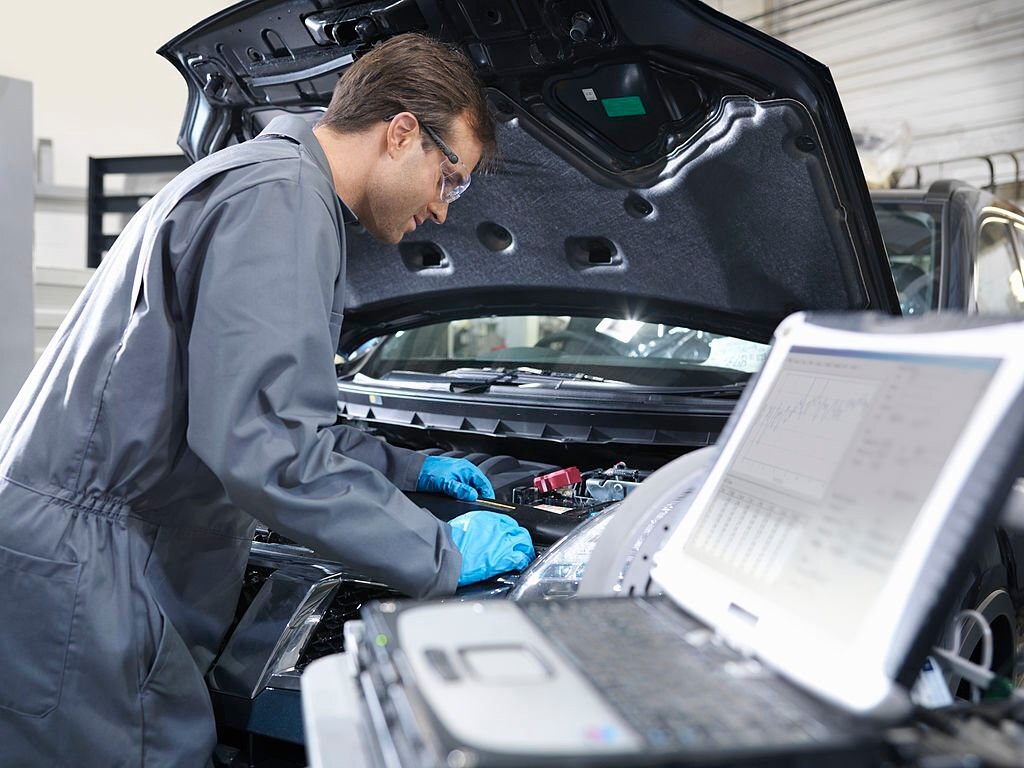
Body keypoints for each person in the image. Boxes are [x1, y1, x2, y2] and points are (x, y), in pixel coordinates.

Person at [0, 34, 534, 767]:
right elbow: (267, 447)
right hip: (97, 578)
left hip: (91, 554)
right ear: (402, 131)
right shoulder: (279, 199)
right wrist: (436, 552)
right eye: (452, 178)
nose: (444, 210)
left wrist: (405, 470)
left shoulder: (269, 182)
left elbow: (269, 408)